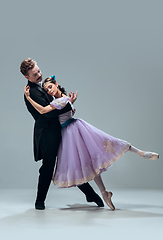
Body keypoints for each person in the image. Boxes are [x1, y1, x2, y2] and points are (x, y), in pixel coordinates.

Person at [24, 76, 159, 210]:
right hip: (75, 128)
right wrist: (70, 104)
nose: (49, 91)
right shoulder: (64, 98)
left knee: (101, 147)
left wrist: (29, 98)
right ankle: (104, 192)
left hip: (71, 132)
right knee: (92, 158)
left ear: (56, 84)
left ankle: (139, 153)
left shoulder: (61, 100)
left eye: (50, 87)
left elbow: (42, 111)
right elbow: (64, 109)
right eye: (47, 90)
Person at [20, 58, 104, 210]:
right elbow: (47, 114)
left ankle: (90, 194)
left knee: (71, 162)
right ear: (27, 77)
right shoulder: (31, 91)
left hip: (59, 130)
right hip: (48, 134)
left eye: (38, 71)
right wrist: (68, 106)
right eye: (35, 74)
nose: (39, 74)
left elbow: (56, 104)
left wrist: (67, 105)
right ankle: (40, 201)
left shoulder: (43, 86)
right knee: (48, 167)